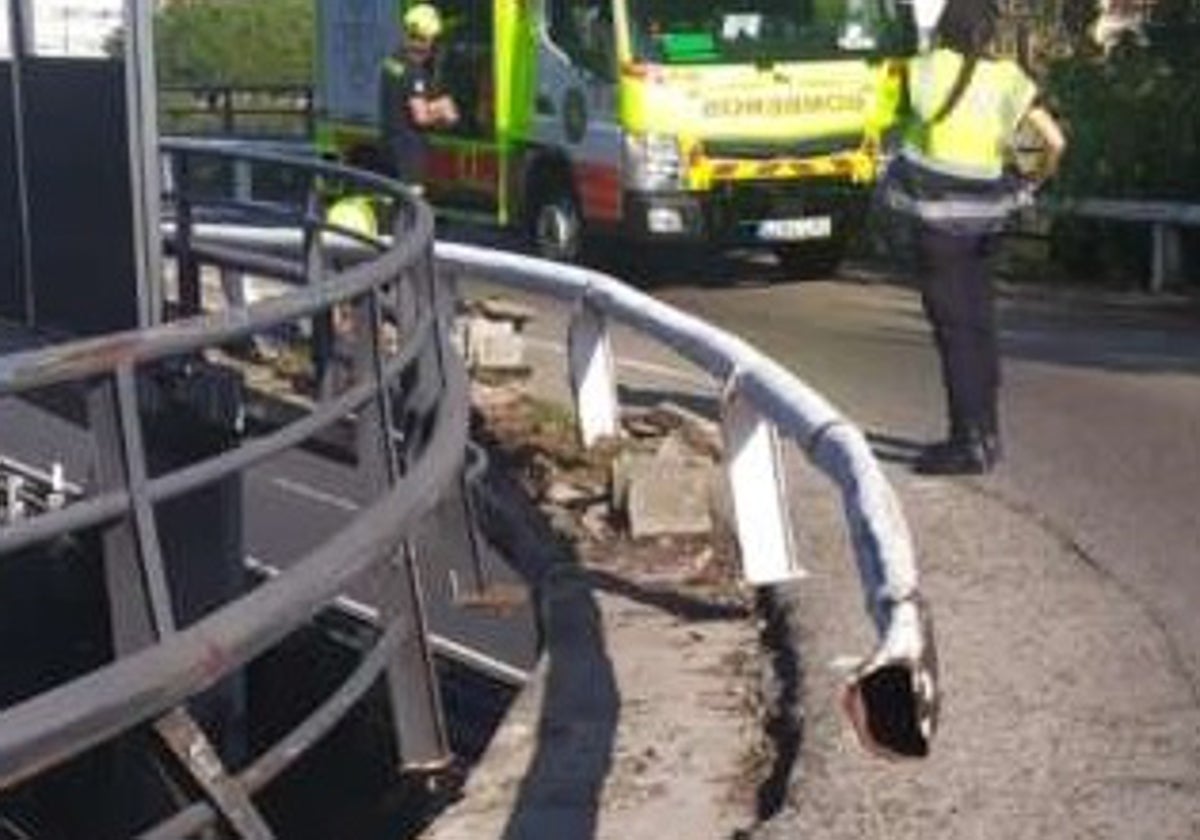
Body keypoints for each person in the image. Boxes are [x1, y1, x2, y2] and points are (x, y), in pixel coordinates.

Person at [882, 0, 1065, 475]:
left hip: (936, 227)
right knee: (980, 327)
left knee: (954, 334)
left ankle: (965, 444)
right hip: (986, 224)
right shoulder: (1008, 80)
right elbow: (1056, 141)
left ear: (944, 27)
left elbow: (888, 125)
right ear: (988, 34)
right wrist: (1031, 182)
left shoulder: (921, 71)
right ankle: (988, 434)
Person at [379, 3, 459, 190]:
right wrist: (444, 111)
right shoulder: (414, 73)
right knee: (412, 207)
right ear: (427, 39)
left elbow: (402, 104)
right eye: (434, 40)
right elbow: (420, 116)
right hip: (409, 155)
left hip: (390, 148)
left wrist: (432, 104)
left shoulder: (392, 62)